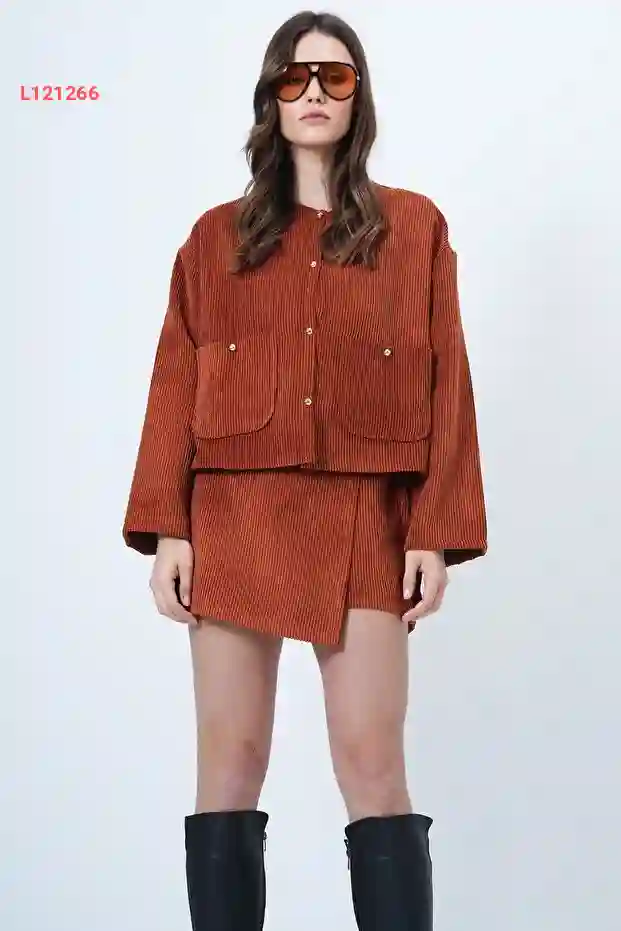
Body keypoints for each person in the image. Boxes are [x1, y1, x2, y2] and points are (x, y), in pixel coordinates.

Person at [121, 9, 487, 930]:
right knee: (229, 761)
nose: (314, 93)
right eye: (294, 78)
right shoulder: (214, 240)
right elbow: (173, 381)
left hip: (367, 518)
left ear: (359, 97)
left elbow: (448, 380)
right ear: (270, 100)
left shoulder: (415, 229)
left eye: (335, 76)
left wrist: (435, 530)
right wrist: (168, 527)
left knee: (372, 762)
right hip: (234, 514)